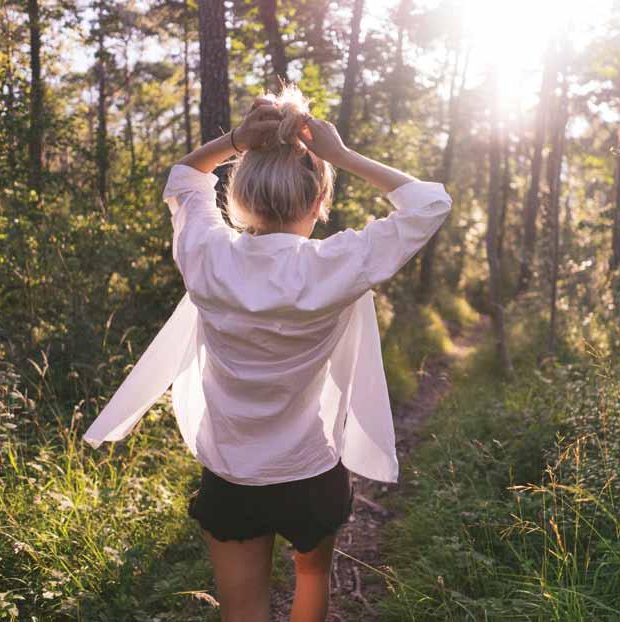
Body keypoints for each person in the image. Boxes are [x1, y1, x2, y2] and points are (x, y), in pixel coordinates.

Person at [80, 84, 452, 622]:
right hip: (311, 468)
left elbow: (184, 179)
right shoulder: (336, 264)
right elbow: (428, 203)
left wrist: (234, 140)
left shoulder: (208, 255)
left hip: (232, 473)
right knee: (312, 576)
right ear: (321, 203)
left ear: (237, 197)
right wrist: (340, 155)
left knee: (242, 611)